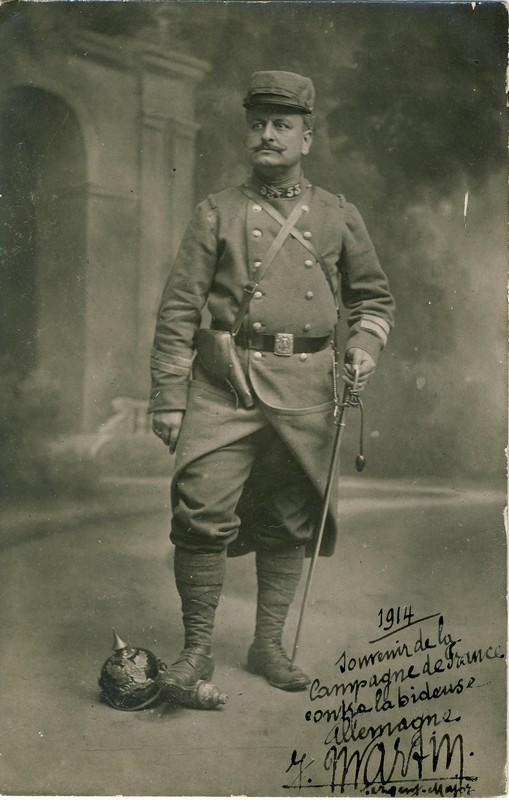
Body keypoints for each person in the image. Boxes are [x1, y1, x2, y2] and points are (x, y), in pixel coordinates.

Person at [149, 71, 395, 694]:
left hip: (309, 386)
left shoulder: (339, 215)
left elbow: (374, 301)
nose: (267, 135)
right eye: (257, 123)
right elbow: (180, 309)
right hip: (225, 386)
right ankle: (197, 651)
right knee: (201, 509)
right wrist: (169, 398)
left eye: (281, 125)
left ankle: (267, 648)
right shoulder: (217, 212)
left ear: (306, 137)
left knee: (289, 519)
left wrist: (364, 348)